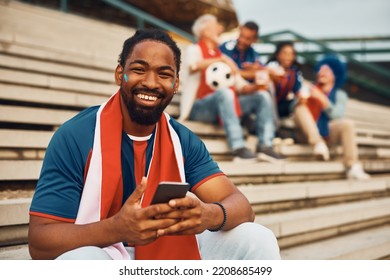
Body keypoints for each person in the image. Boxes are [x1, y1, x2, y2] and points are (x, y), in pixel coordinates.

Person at [28, 28, 281, 260]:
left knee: (256, 238)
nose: (150, 82)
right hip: (103, 247)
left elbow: (242, 207)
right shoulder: (76, 135)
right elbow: (40, 241)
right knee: (79, 262)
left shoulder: (181, 139)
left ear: (176, 84)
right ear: (120, 74)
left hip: (167, 248)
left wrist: (207, 215)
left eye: (164, 74)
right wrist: (116, 228)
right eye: (139, 69)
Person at [179, 15, 282, 162]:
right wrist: (222, 60)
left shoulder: (223, 56)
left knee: (262, 96)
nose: (220, 29)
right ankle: (238, 147)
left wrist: (256, 87)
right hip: (199, 107)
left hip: (225, 104)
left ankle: (266, 145)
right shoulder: (194, 50)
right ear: (205, 31)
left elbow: (240, 85)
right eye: (216, 26)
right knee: (225, 93)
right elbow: (193, 66)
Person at [294, 54, 370, 180]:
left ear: (335, 74)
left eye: (327, 70)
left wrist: (322, 99)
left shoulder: (340, 95)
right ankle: (317, 143)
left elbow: (337, 115)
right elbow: (295, 111)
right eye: (321, 69)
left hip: (328, 134)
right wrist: (301, 100)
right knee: (299, 108)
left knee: (347, 124)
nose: (322, 72)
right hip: (306, 132)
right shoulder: (309, 88)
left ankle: (352, 166)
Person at [219, 21, 285, 161]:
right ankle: (266, 131)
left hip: (243, 97)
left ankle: (266, 145)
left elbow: (260, 73)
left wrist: (261, 72)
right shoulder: (226, 47)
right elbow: (232, 74)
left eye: (248, 38)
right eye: (241, 35)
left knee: (264, 94)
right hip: (225, 98)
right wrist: (252, 72)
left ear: (255, 39)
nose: (242, 40)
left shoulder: (253, 53)